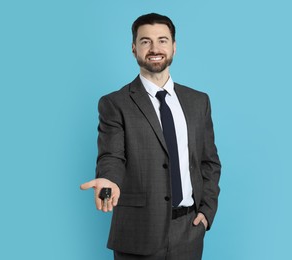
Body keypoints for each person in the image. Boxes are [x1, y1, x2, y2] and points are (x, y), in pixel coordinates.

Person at [80, 13, 221, 260]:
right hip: (138, 233)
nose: (154, 48)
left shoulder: (199, 102)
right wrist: (107, 180)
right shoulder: (115, 103)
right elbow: (112, 155)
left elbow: (209, 162)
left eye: (162, 40)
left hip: (189, 231)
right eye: (145, 41)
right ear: (134, 48)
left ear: (174, 47)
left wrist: (207, 212)